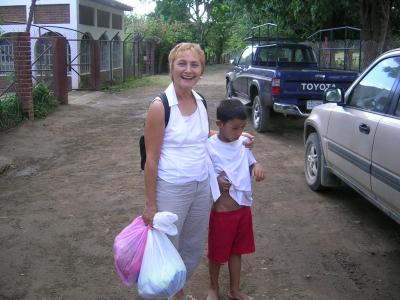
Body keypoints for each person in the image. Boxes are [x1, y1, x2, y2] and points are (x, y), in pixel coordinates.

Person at [142, 42, 253, 300]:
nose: (188, 70)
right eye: (182, 63)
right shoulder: (160, 107)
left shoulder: (200, 100)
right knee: (169, 251)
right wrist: (150, 204)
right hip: (172, 188)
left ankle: (176, 293)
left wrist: (236, 137)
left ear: (201, 70)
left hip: (202, 187)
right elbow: (151, 159)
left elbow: (202, 136)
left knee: (192, 250)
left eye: (194, 64)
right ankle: (174, 296)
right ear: (171, 67)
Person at [206, 99, 265, 300]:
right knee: (217, 254)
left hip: (242, 209)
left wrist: (256, 167)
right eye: (234, 128)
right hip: (222, 212)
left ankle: (235, 290)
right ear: (219, 124)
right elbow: (201, 173)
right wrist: (214, 181)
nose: (239, 132)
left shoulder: (242, 144)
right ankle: (213, 289)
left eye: (242, 128)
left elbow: (250, 162)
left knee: (236, 252)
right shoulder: (209, 146)